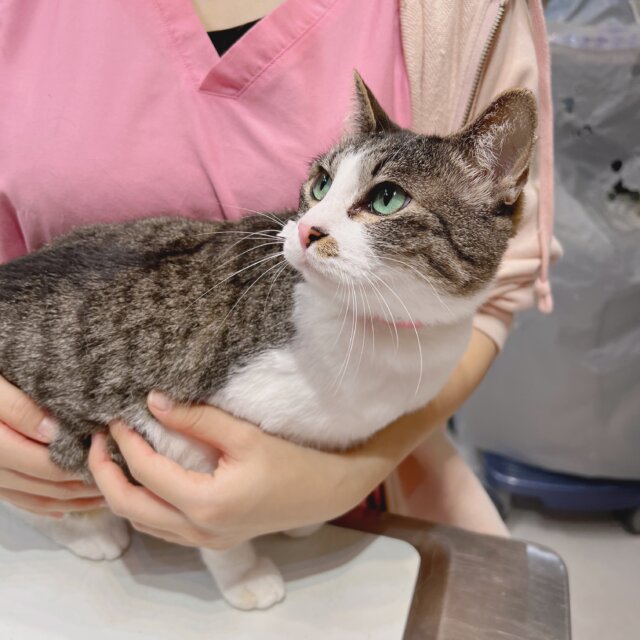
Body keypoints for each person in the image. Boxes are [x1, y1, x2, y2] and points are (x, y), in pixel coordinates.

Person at [0, 0, 561, 549]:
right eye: (321, 185)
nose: (310, 224)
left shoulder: (469, 11)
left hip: (368, 515)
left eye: (384, 198)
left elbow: (501, 290)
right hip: (52, 474)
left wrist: (345, 476)